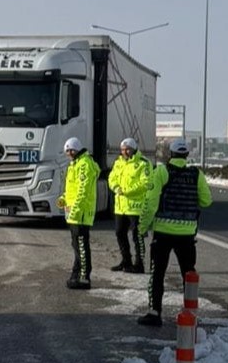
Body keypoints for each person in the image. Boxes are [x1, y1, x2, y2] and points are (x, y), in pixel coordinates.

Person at [136, 138, 211, 326]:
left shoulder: (162, 171)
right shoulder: (196, 174)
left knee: (157, 273)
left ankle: (154, 313)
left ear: (170, 154)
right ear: (186, 155)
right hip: (187, 234)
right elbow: (206, 201)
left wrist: (142, 227)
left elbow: (151, 203)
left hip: (163, 232)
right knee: (188, 272)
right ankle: (190, 311)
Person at [57, 137, 100, 290]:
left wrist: (74, 210)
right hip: (74, 213)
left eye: (70, 150)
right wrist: (63, 199)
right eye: (66, 151)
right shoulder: (74, 164)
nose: (68, 153)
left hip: (80, 214)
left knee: (81, 246)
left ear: (76, 149)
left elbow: (83, 191)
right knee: (76, 245)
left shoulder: (84, 164)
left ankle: (84, 278)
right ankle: (76, 274)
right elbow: (71, 190)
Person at [107, 137, 150, 273]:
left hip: (135, 207)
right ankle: (126, 261)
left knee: (137, 236)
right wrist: (116, 188)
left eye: (127, 149)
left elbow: (145, 183)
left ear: (134, 149)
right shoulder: (118, 162)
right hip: (120, 207)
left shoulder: (143, 163)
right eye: (122, 150)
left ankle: (139, 264)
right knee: (120, 233)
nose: (124, 152)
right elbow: (111, 178)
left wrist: (127, 191)